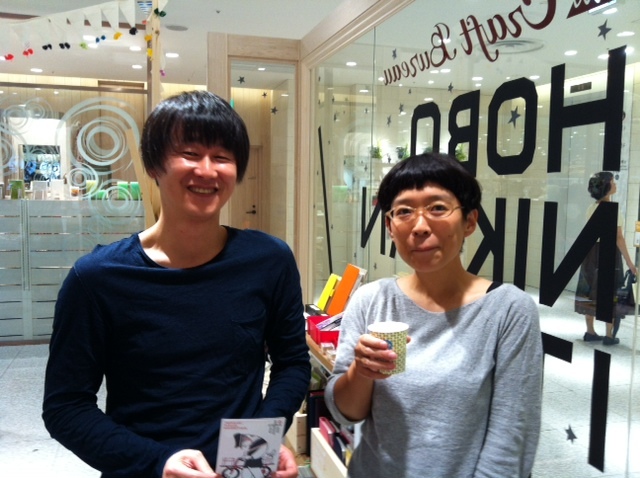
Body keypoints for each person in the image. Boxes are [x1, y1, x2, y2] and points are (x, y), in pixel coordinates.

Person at [42, 90, 310, 478]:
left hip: (241, 467)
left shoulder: (269, 260)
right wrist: (158, 462)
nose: (207, 170)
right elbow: (65, 407)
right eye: (190, 153)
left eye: (222, 157)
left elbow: (292, 364)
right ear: (154, 164)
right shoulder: (97, 278)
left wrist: (261, 440)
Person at [324, 153, 543, 477]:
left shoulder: (508, 310)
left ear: (469, 221)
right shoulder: (371, 300)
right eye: (404, 211)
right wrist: (362, 371)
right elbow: (345, 413)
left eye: (438, 208)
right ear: (390, 226)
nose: (420, 227)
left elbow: (511, 442)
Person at [574, 171, 637, 345]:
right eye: (612, 182)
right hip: (608, 252)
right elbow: (619, 238)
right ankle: (609, 334)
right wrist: (630, 263)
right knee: (610, 292)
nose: (615, 185)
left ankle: (590, 331)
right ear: (606, 186)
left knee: (590, 291)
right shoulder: (612, 209)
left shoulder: (591, 208)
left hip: (592, 253)